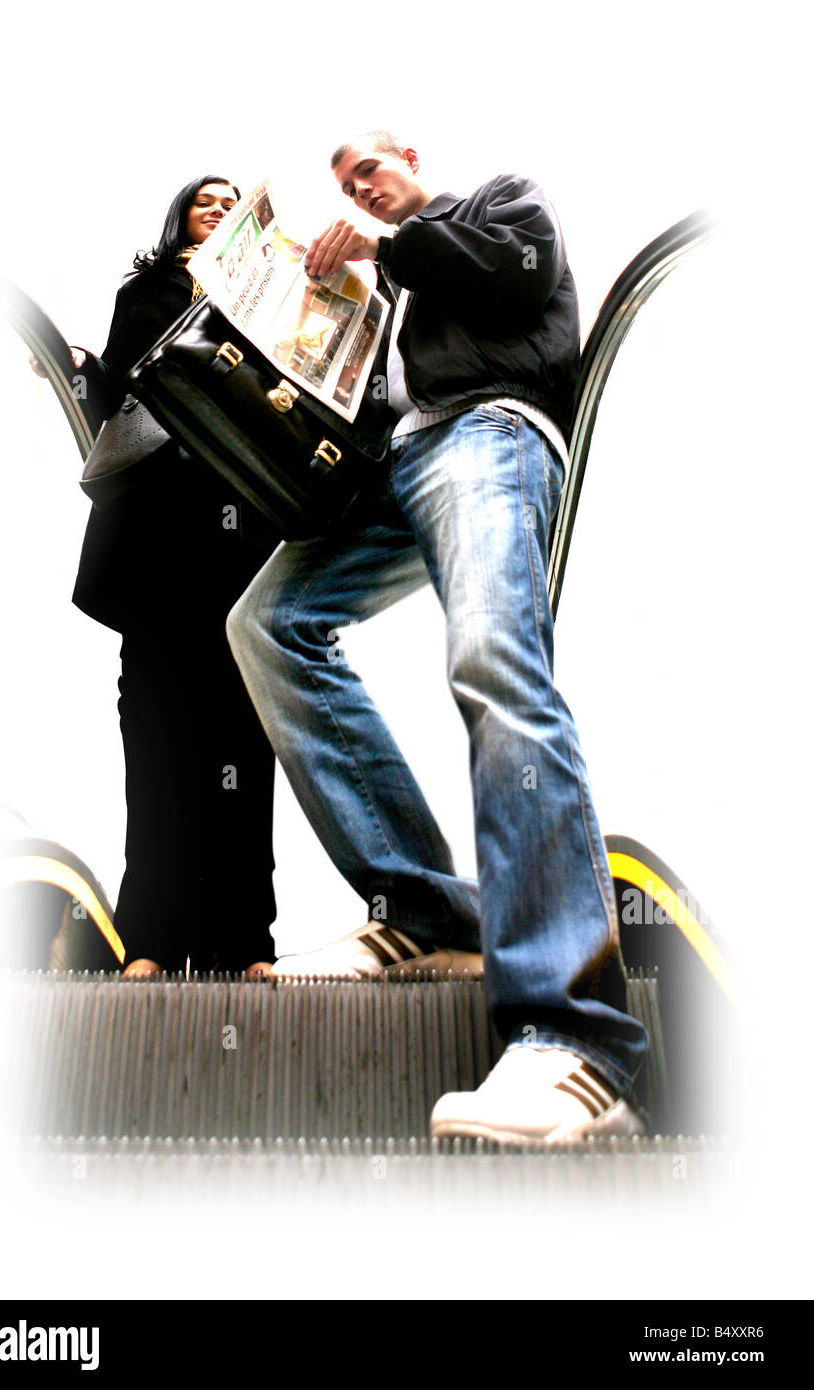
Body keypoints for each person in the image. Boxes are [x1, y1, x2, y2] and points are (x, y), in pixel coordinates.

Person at [226, 132, 649, 1142]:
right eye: (342, 185)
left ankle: (572, 1038)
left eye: (367, 170)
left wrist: (384, 240)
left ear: (408, 156)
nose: (358, 189)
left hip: (489, 431)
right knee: (266, 622)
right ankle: (421, 908)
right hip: (394, 466)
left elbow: (514, 272)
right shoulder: (395, 292)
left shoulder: (497, 201)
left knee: (490, 662)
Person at [72, 176, 280, 978]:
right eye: (206, 201)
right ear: (181, 221)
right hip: (162, 538)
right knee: (158, 737)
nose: (221, 208)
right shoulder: (152, 289)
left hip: (243, 535)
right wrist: (81, 367)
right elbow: (120, 389)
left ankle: (243, 941)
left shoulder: (277, 297)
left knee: (243, 740)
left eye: (234, 203)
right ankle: (152, 939)